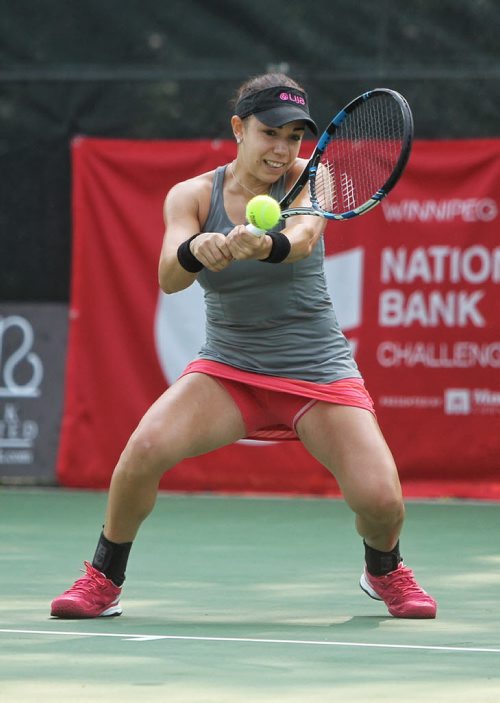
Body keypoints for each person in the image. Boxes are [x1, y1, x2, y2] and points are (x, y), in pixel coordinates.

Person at [51, 72, 437, 620]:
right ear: (238, 128)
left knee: (381, 502)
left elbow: (302, 240)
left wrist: (263, 244)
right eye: (270, 134)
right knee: (141, 455)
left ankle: (384, 569)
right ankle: (102, 578)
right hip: (229, 369)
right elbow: (168, 275)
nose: (282, 150)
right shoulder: (190, 195)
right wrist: (197, 249)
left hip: (317, 371)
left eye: (293, 138)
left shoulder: (312, 179)